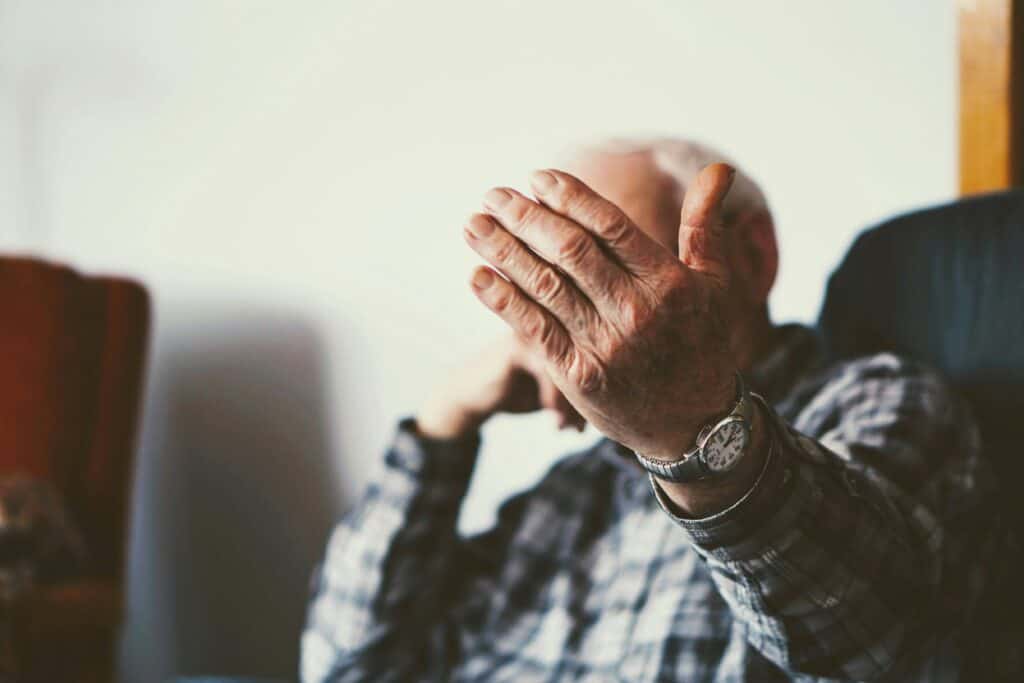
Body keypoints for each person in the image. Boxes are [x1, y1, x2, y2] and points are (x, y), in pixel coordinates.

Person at [300, 139, 1009, 681]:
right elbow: (345, 663)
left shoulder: (882, 401)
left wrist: (693, 430)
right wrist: (442, 423)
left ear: (754, 256)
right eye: (549, 278)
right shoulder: (571, 491)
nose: (572, 308)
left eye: (607, 261)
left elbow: (869, 640)